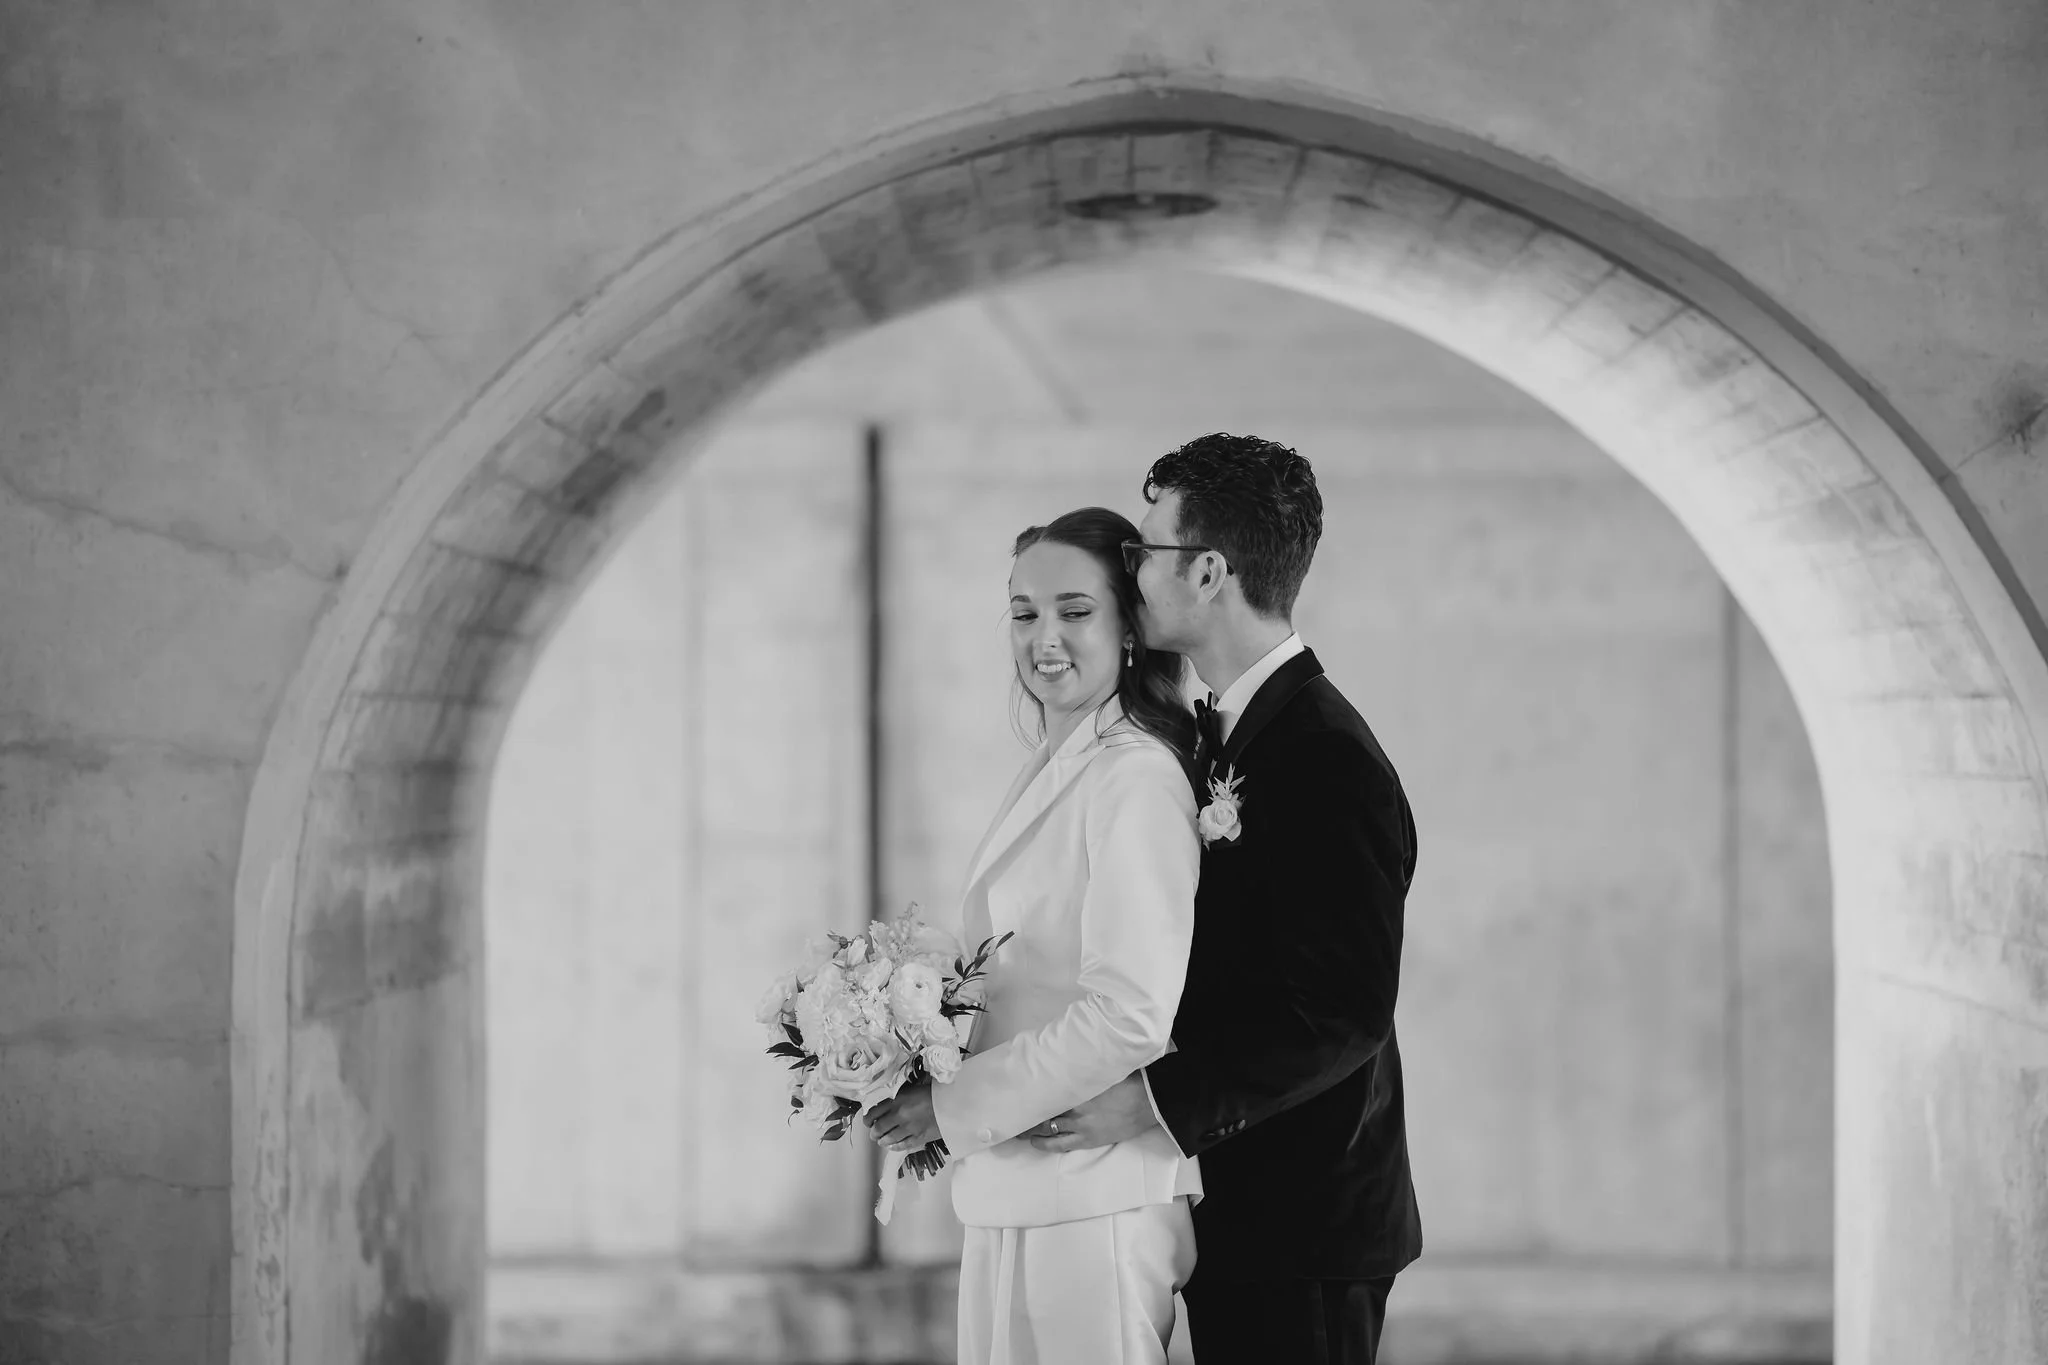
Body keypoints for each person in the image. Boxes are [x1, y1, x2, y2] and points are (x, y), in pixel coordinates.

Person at [1024, 433, 1423, 1364]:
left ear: (1207, 571)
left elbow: (1344, 1011)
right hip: (1243, 1204)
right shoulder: (1229, 730)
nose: (1132, 574)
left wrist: (1153, 1104)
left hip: (1308, 1222)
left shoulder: (1325, 754)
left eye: (1143, 554)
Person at [866, 506, 1204, 1365]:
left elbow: (1131, 1012)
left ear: (1131, 625)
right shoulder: (1062, 764)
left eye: (1074, 610)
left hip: (1097, 1199)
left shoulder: (1134, 775)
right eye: (1023, 612)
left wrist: (950, 1104)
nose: (1043, 637)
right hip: (1020, 1189)